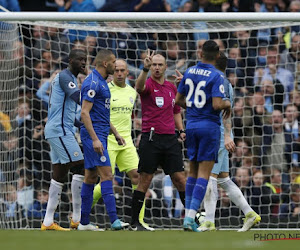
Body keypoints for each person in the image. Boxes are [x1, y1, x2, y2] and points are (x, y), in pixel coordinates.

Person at [198, 52, 261, 232]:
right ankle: (250, 214)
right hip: (221, 134)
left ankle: (209, 221)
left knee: (209, 177)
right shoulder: (224, 81)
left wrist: (226, 136)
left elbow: (226, 112)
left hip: (216, 135)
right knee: (224, 179)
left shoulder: (218, 81)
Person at [175, 40, 231, 232]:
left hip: (191, 125)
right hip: (209, 127)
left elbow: (178, 100)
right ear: (217, 56)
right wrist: (228, 104)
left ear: (200, 54)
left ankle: (188, 216)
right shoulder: (217, 75)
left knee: (192, 171)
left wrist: (194, 108)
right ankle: (190, 218)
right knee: (204, 174)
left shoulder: (189, 71)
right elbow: (217, 104)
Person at [91, 59, 153, 230]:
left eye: (122, 70)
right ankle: (82, 214)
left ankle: (138, 221)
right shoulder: (104, 90)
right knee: (106, 179)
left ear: (127, 73)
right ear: (112, 72)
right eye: (116, 70)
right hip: (108, 141)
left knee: (137, 177)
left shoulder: (132, 92)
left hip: (126, 142)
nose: (119, 73)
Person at [130, 50, 186, 231]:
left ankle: (191, 218)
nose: (156, 67)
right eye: (153, 64)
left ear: (165, 67)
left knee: (180, 179)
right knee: (145, 180)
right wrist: (144, 70)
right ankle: (134, 222)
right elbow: (138, 88)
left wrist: (181, 130)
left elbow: (176, 111)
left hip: (170, 139)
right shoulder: (146, 83)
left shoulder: (171, 87)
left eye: (159, 64)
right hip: (151, 138)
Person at [79, 49, 128, 231]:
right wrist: (94, 139)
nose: (116, 66)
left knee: (91, 176)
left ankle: (83, 223)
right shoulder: (92, 83)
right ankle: (115, 221)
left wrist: (115, 133)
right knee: (107, 175)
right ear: (106, 63)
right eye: (114, 62)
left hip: (101, 133)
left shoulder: (102, 82)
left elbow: (101, 113)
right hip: (94, 136)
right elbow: (84, 113)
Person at [42, 49, 87, 231]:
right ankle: (76, 217)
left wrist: (81, 123)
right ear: (70, 60)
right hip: (60, 131)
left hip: (61, 129)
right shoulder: (65, 76)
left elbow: (65, 111)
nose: (83, 62)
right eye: (79, 59)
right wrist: (98, 101)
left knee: (59, 174)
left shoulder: (69, 78)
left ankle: (48, 221)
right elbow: (78, 99)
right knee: (82, 165)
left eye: (85, 59)